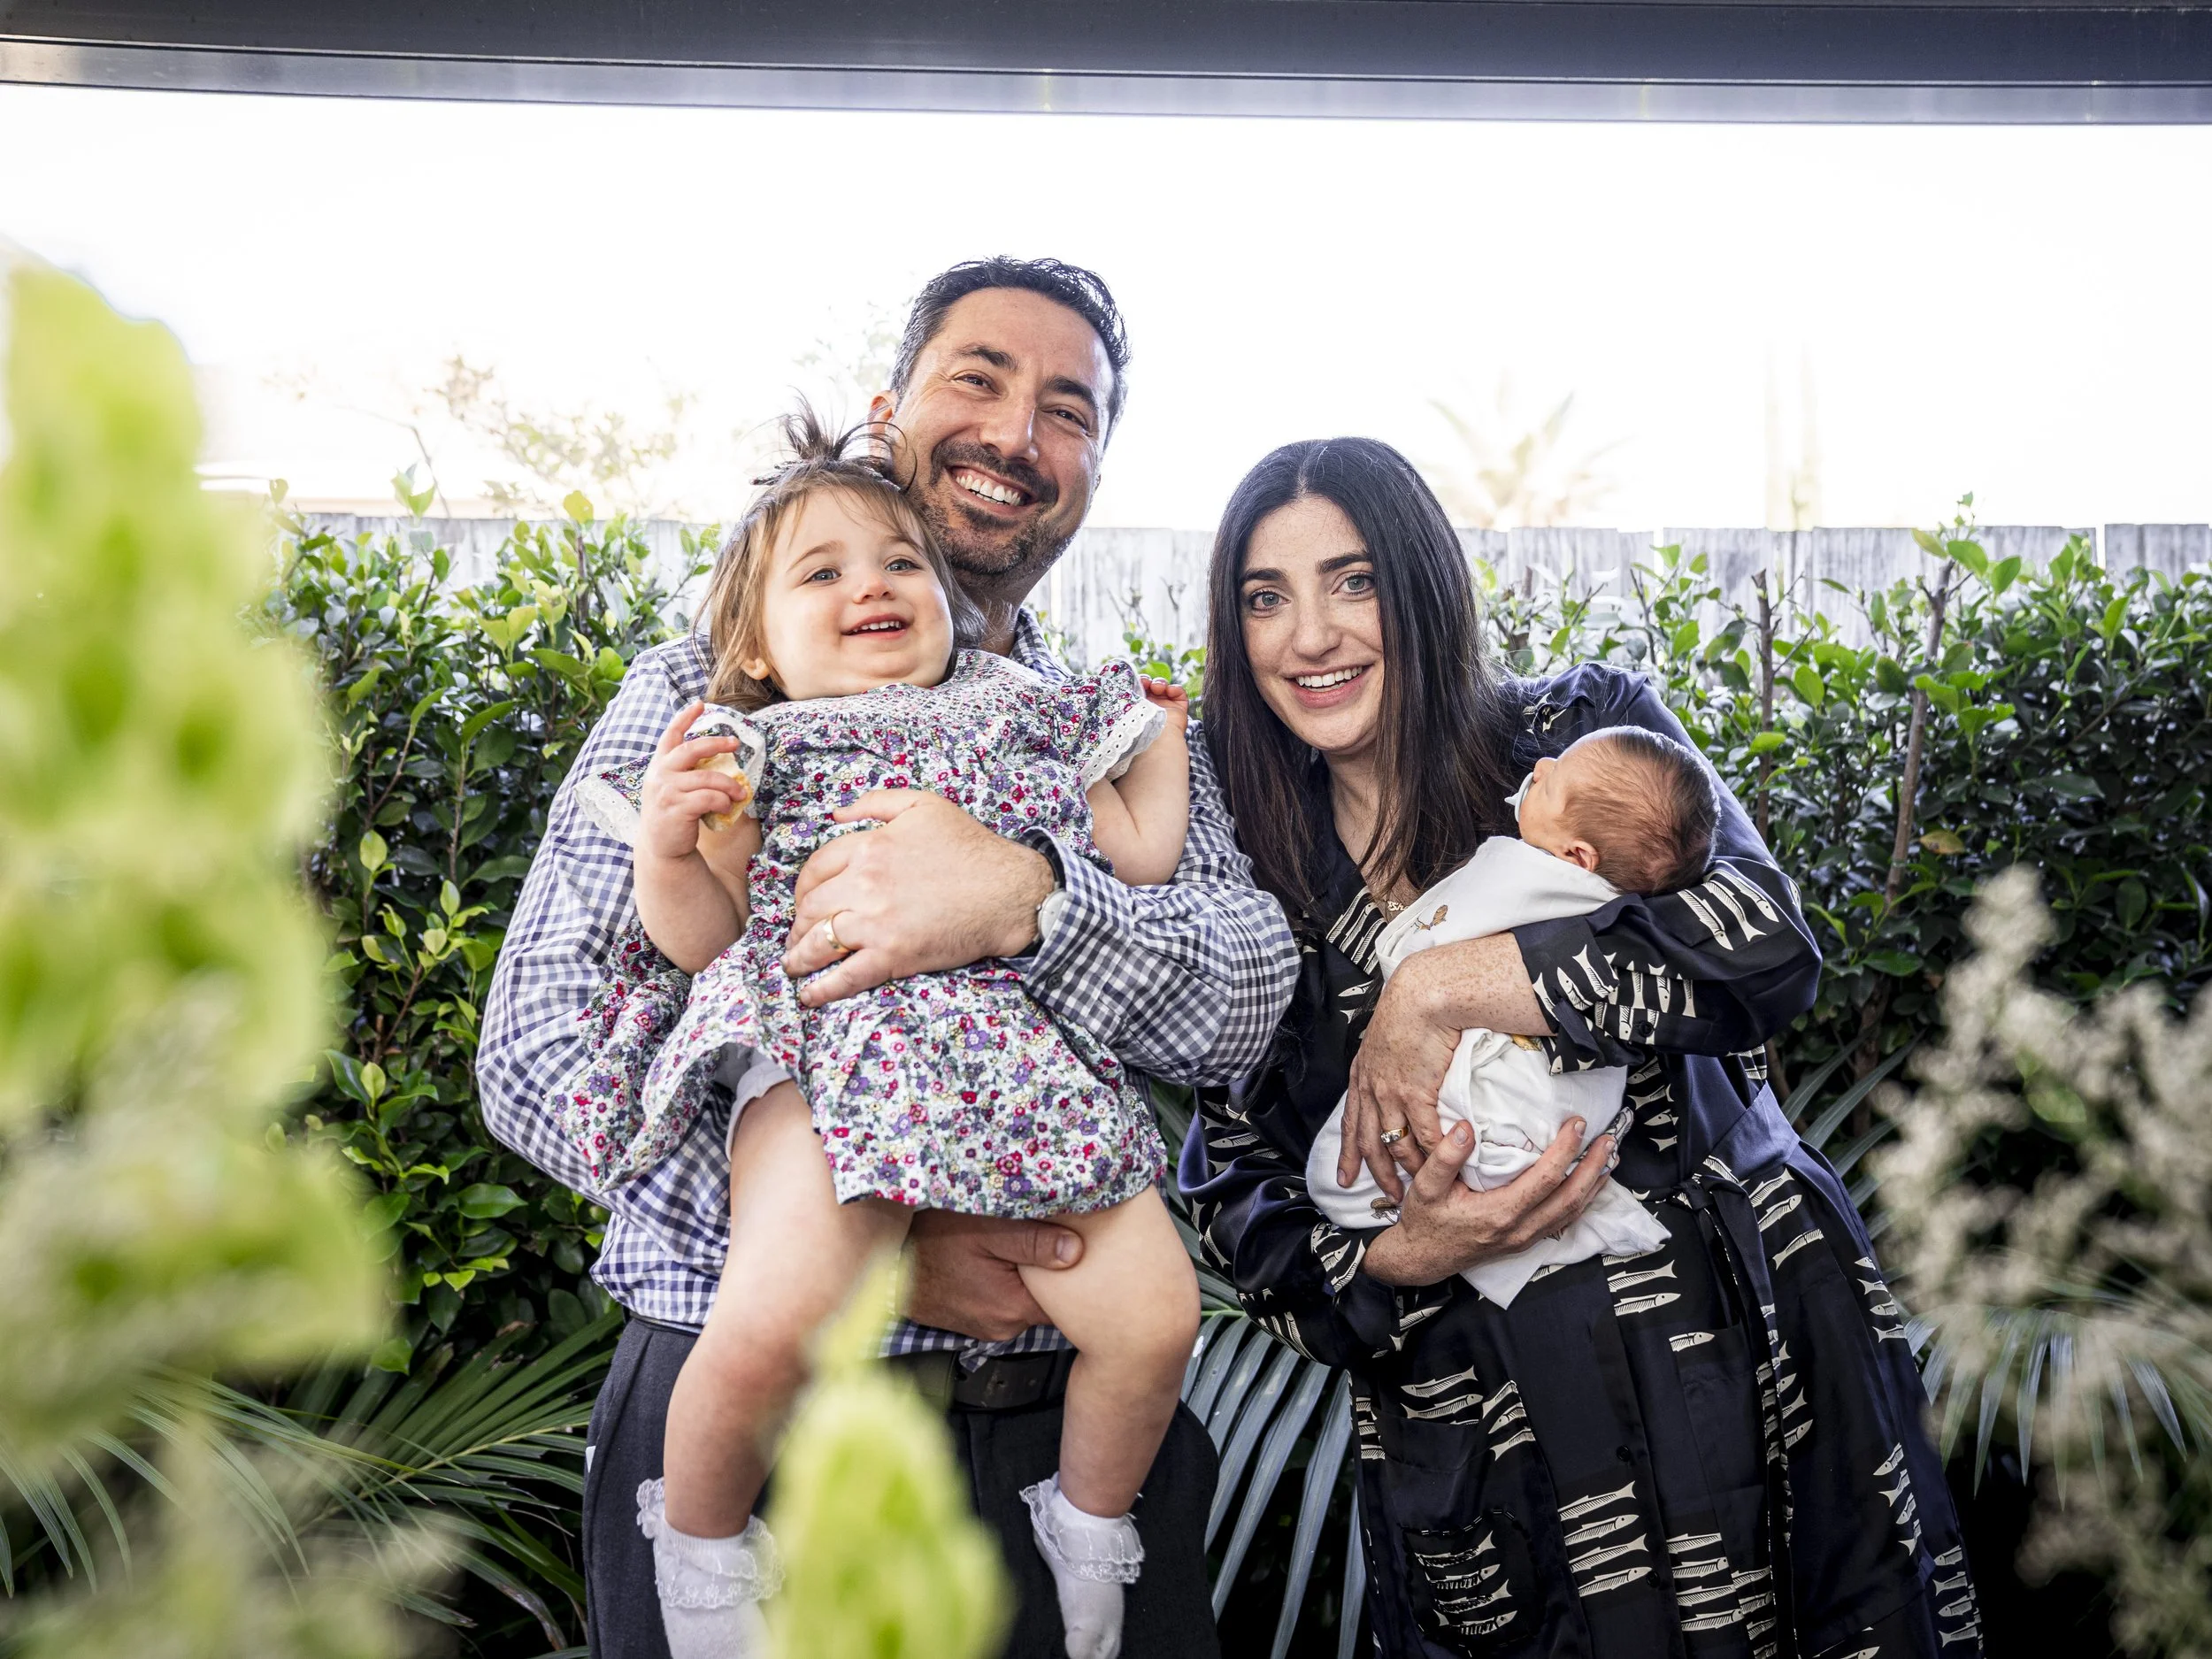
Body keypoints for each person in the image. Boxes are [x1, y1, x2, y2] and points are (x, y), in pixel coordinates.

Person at [479, 259, 1296, 1659]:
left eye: (1067, 408)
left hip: (1060, 1423)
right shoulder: (708, 702)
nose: (1015, 433)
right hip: (763, 1418)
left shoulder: (1082, 716)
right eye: (977, 378)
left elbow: (1245, 987)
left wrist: (1025, 901)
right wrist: (873, 1230)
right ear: (889, 410)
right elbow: (538, 1054)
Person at [1182, 437, 1984, 1657]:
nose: (1310, 635)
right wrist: (1397, 1253)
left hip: (1752, 1352)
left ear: (1421, 585)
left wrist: (1439, 988)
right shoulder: (1246, 860)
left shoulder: (1579, 732)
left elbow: (1761, 942)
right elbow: (1231, 1180)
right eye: (1265, 594)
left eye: (1352, 580)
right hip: (1494, 1437)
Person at [560, 411, 1201, 1659]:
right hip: (824, 1060)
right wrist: (665, 840)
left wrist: (1163, 744)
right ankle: (699, 1549)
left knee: (1156, 1314)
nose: (873, 585)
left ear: (951, 603)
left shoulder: (1023, 712)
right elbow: (704, 936)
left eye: (901, 563)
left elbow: (1143, 853)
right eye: (824, 571)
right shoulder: (748, 741)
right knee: (775, 1310)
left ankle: (1086, 1517)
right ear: (753, 642)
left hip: (1014, 1067)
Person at [1303, 727, 1719, 1307]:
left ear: (1578, 858)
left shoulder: (1532, 876)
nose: (1542, 764)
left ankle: (1472, 1180)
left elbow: (1418, 950)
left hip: (1517, 1125)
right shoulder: (1629, 910)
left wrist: (1418, 983)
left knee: (1387, 1147)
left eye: (1555, 784)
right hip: (1574, 1121)